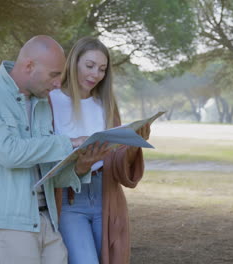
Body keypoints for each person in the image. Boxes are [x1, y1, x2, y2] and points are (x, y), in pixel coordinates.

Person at [0, 35, 92, 264]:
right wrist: (68, 142)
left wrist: (81, 165)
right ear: (29, 66)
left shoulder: (42, 104)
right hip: (7, 224)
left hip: (44, 218)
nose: (58, 83)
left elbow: (46, 170)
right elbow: (9, 153)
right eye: (54, 74)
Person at [49, 36, 150, 264]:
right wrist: (81, 165)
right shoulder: (51, 101)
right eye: (90, 66)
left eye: (102, 69)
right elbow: (45, 156)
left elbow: (116, 160)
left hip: (106, 194)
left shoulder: (105, 105)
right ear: (74, 62)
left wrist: (133, 145)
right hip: (69, 198)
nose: (95, 75)